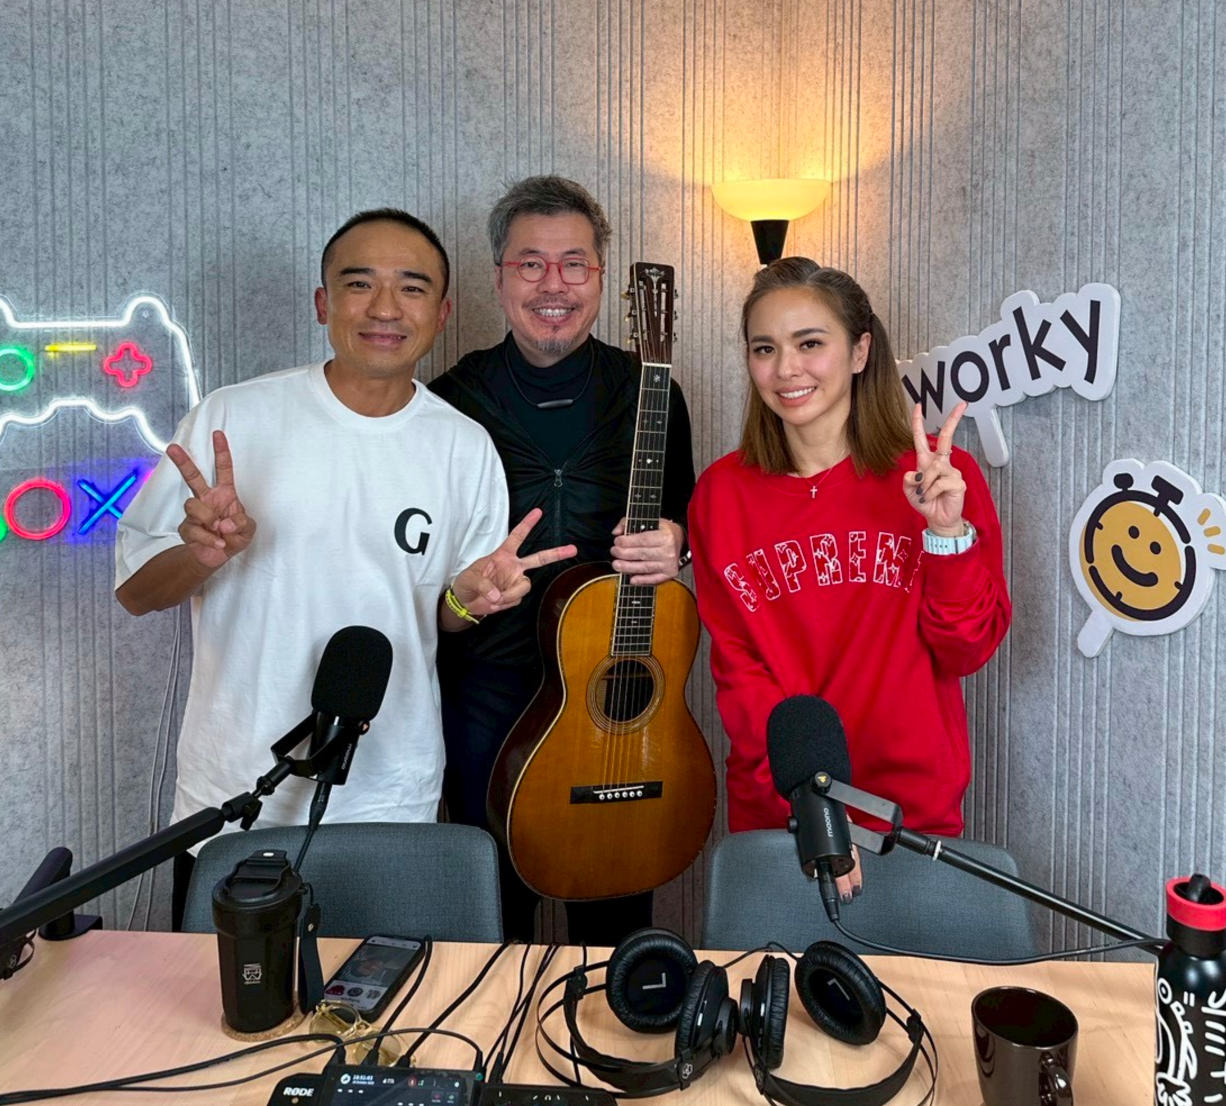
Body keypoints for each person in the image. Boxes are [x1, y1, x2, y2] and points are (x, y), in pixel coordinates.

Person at [115, 209, 573, 929]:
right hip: (237, 792)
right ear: (323, 302)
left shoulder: (463, 447)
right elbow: (137, 592)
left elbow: (444, 614)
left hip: (392, 795)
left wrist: (468, 601)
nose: (385, 308)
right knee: (226, 994)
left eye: (412, 288)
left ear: (443, 312)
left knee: (379, 994)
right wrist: (199, 555)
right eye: (360, 284)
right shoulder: (233, 419)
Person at [429, 176, 696, 943]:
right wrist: (462, 597)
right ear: (498, 279)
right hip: (489, 698)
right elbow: (417, 574)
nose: (554, 285)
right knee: (490, 922)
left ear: (602, 279)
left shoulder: (652, 391)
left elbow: (684, 525)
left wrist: (676, 544)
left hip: (615, 699)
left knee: (615, 923)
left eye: (574, 264)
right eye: (531, 264)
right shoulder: (450, 402)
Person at [688, 258, 1011, 890]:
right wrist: (815, 808)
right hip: (780, 811)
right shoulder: (720, 495)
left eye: (810, 343)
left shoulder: (940, 480)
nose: (787, 369)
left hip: (909, 814)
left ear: (861, 351)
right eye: (765, 348)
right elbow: (739, 672)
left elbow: (968, 649)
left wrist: (946, 534)